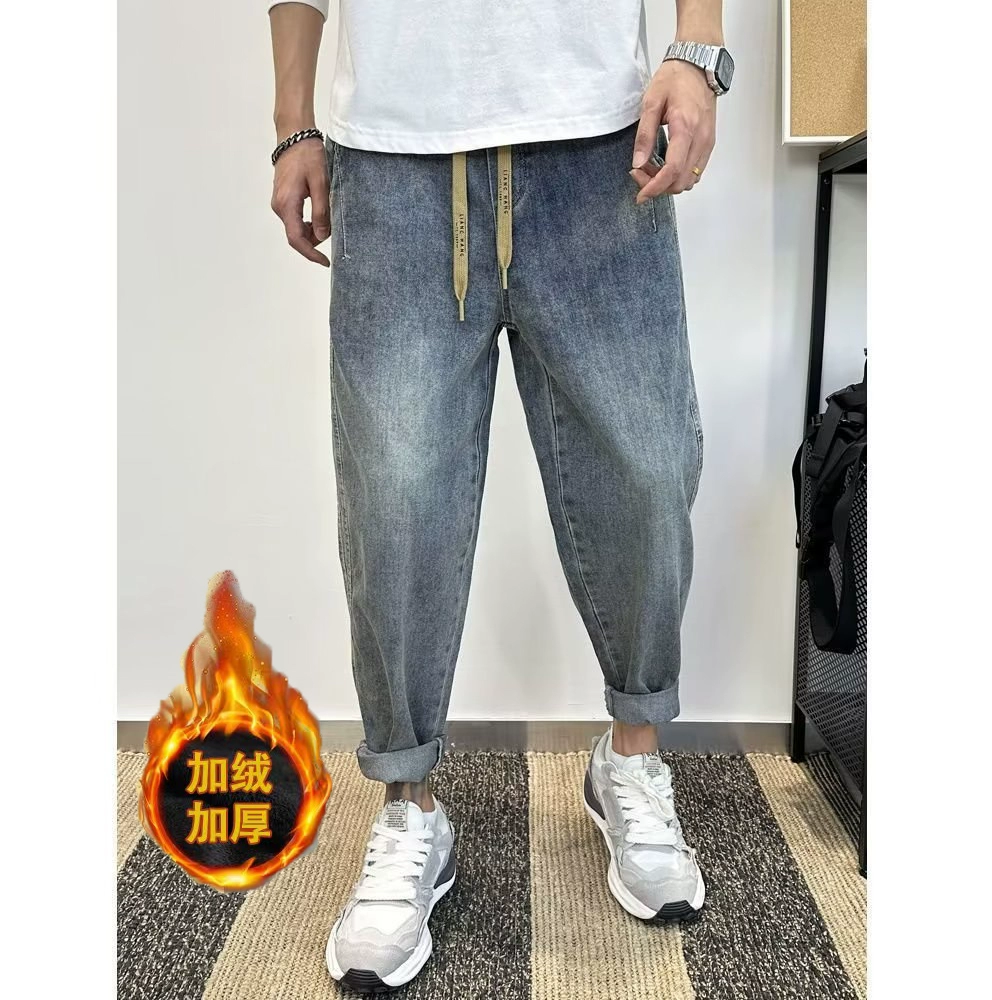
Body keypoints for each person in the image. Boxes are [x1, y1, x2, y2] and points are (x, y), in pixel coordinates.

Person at [268, 1, 732, 992]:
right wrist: (293, 120)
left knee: (647, 468)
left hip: (602, 144)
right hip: (396, 154)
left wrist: (699, 52)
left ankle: (631, 756)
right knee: (393, 498)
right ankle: (409, 809)